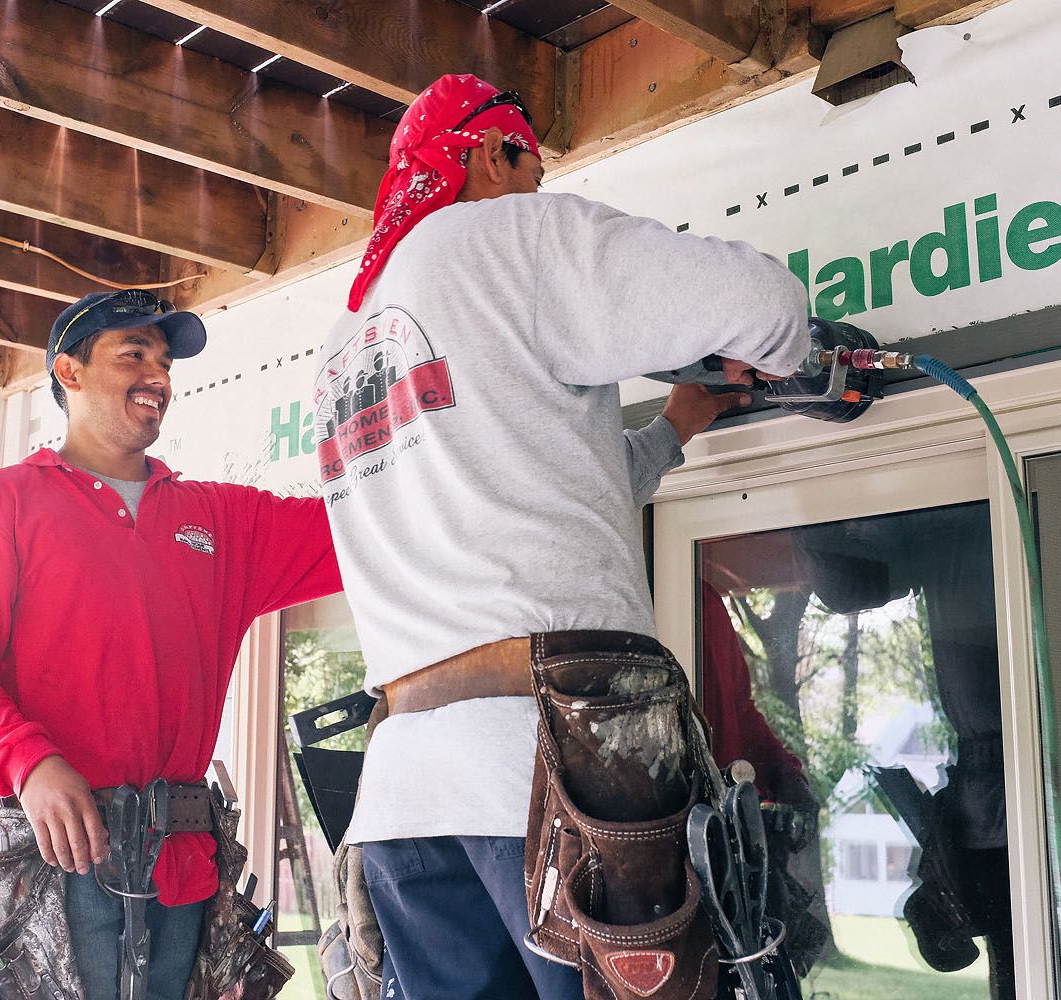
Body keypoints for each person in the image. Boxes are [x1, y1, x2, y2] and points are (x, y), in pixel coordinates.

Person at [313, 75, 809, 999]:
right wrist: (794, 356)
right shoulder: (505, 237)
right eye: (532, 169)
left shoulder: (345, 344)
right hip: (550, 775)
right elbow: (767, 304)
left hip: (404, 802)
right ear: (487, 154)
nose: (538, 191)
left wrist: (672, 429)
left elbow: (532, 485)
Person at [0, 288, 342, 1000]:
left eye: (165, 362)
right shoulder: (2, 504)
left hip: (183, 870)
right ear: (69, 373)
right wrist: (29, 763)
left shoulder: (219, 520)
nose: (159, 377)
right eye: (133, 354)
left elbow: (363, 529)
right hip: (46, 872)